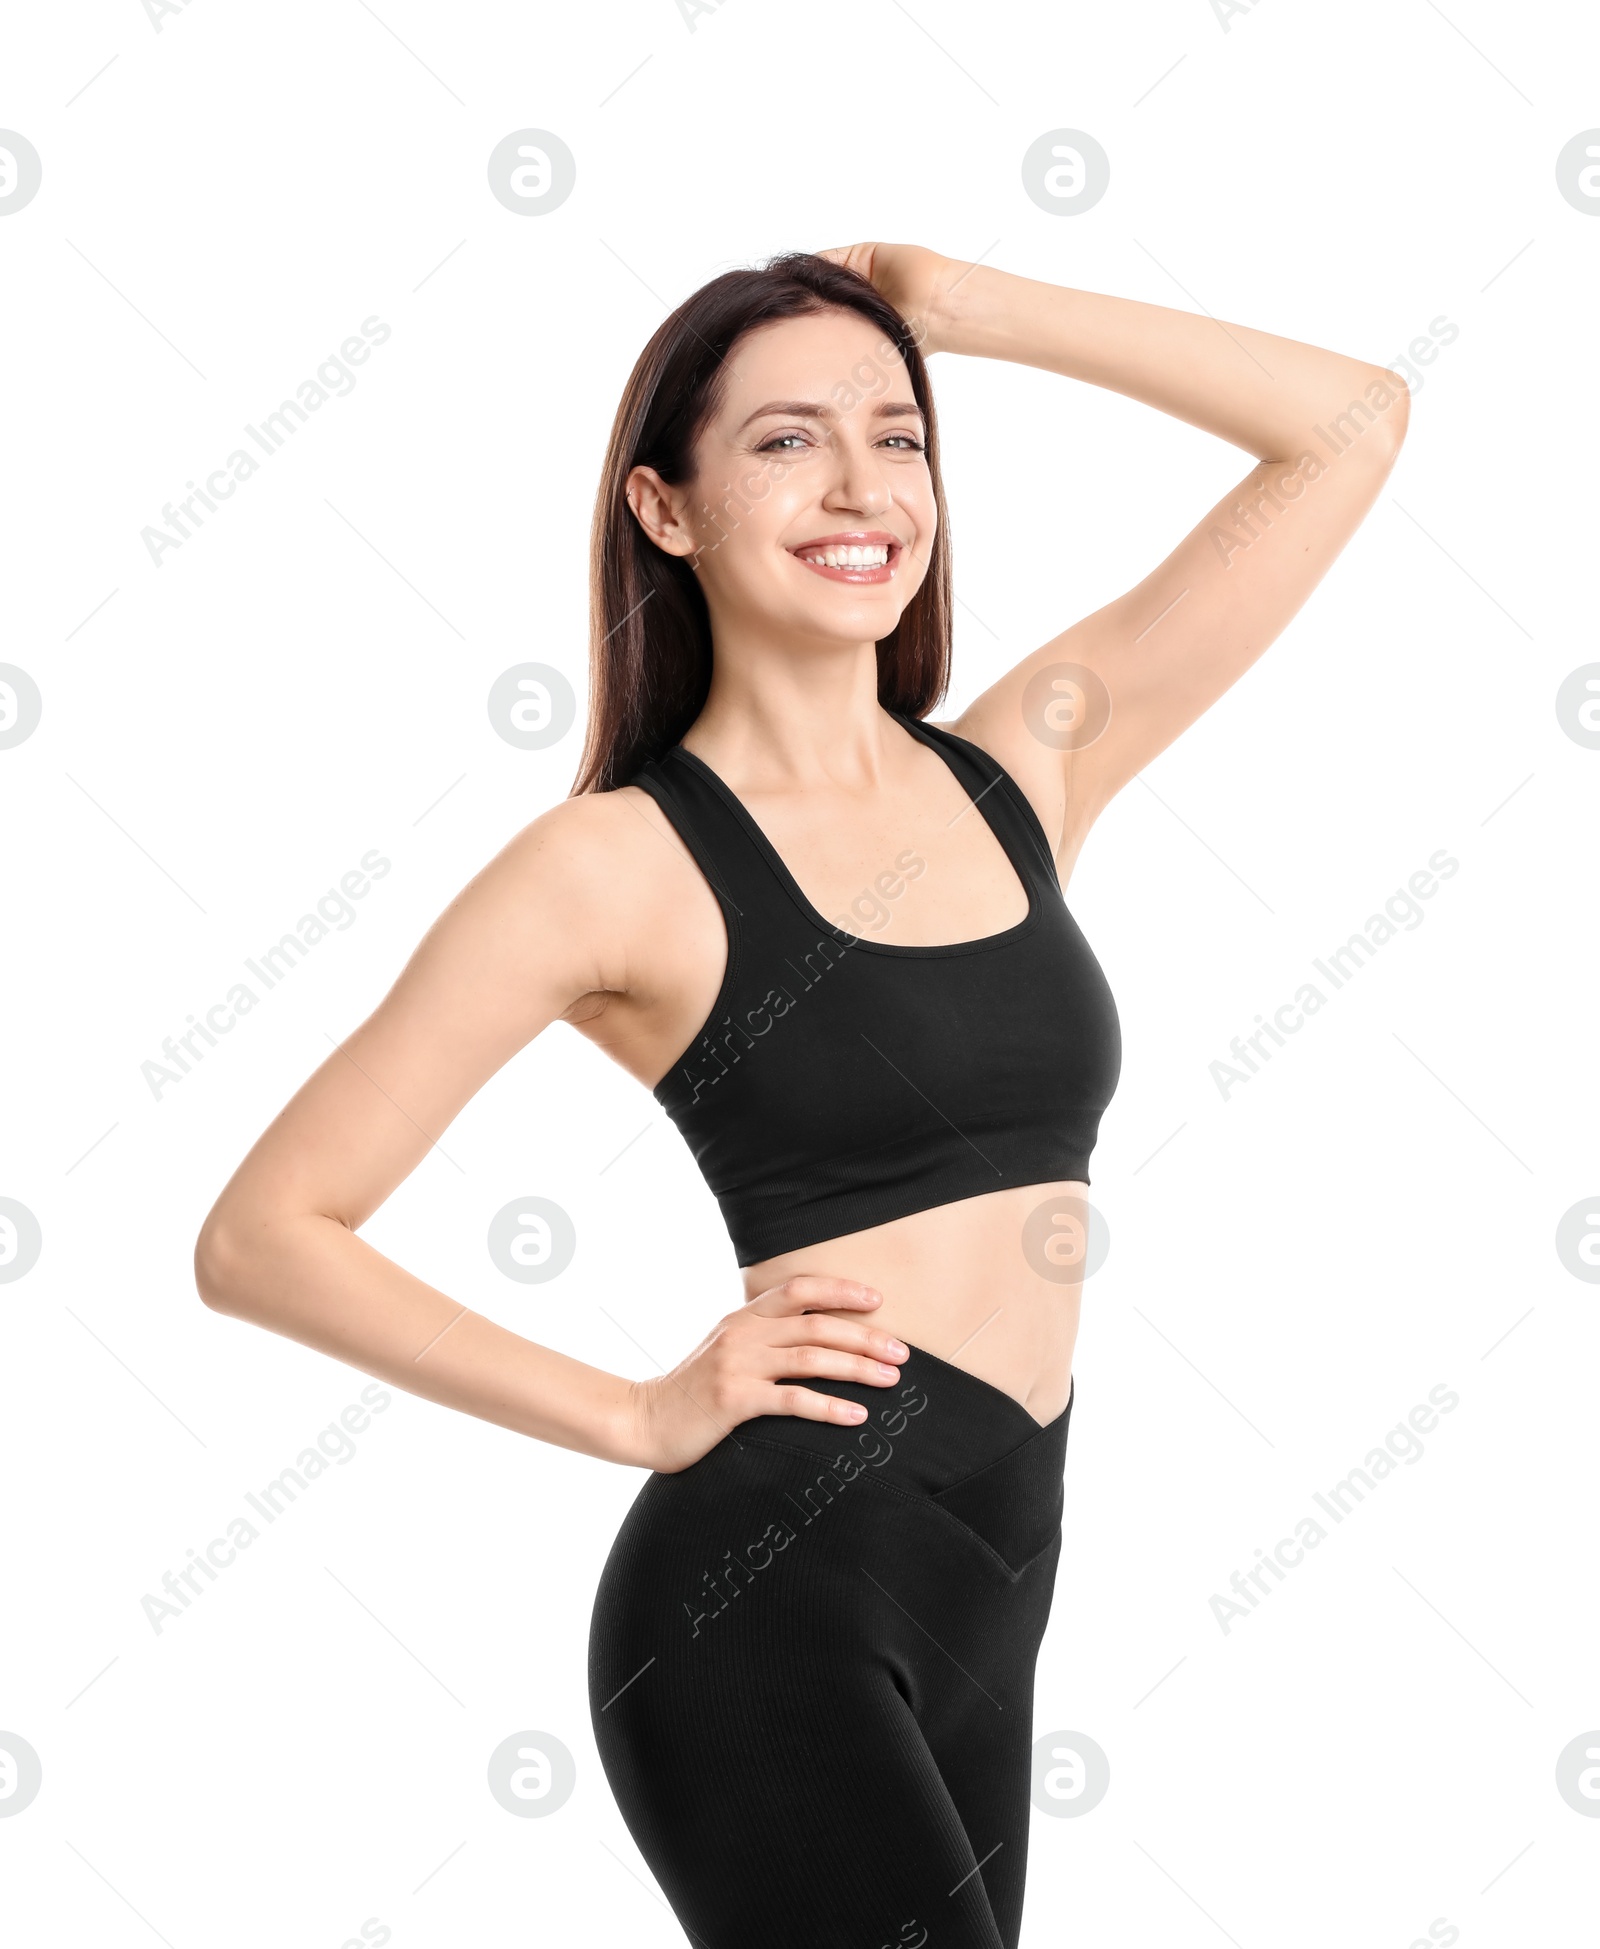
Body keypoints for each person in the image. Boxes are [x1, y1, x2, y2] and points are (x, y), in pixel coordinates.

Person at [195, 243, 1408, 1947]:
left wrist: (950, 302)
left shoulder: (1024, 770)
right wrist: (633, 1409)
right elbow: (261, 1235)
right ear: (665, 508)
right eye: (784, 442)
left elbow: (1353, 426)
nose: (860, 488)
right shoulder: (607, 867)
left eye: (897, 436)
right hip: (772, 1593)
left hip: (1000, 1577)